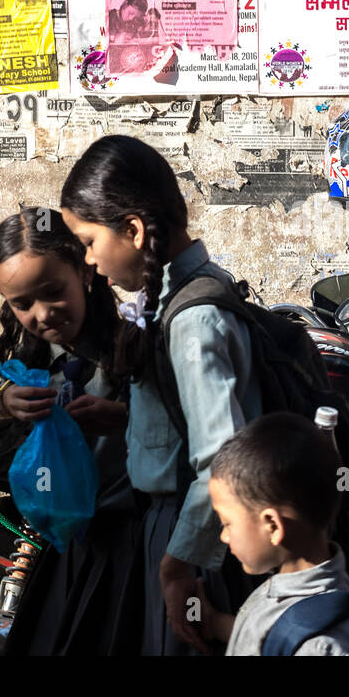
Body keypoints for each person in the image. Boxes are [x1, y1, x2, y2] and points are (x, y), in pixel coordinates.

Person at [60, 135, 261, 655]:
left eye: (88, 241)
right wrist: (127, 419)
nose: (88, 261)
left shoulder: (193, 319)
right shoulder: (172, 300)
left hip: (194, 541)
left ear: (132, 230)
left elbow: (221, 457)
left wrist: (177, 566)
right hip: (176, 533)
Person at [0, 207, 141, 655]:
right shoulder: (34, 365)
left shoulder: (135, 348)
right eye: (23, 304)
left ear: (85, 272)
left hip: (130, 544)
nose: (42, 314)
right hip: (61, 553)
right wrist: (2, 409)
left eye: (53, 292)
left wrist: (126, 418)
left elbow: (183, 431)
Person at [197, 412, 349, 656]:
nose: (224, 537)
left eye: (227, 524)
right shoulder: (293, 588)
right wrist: (214, 623)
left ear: (272, 526)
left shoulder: (320, 644)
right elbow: (273, 636)